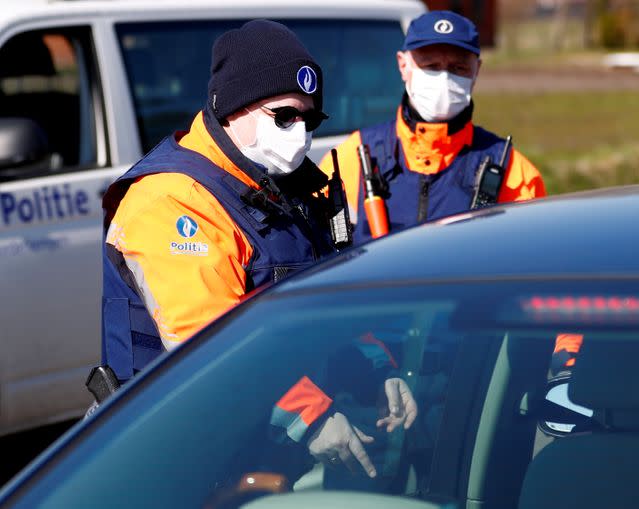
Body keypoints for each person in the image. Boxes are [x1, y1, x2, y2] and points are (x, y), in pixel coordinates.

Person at [95, 19, 415, 478]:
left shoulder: (288, 187)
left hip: (262, 443)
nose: (299, 133)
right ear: (233, 108)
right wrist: (313, 416)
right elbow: (210, 342)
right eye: (284, 116)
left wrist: (377, 367)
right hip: (170, 454)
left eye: (310, 118)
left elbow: (327, 302)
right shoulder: (171, 200)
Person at [319, 10, 546, 245]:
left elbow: (529, 261)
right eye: (431, 66)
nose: (444, 79)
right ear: (403, 65)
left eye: (458, 68)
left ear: (476, 70)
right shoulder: (350, 159)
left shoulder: (514, 172)